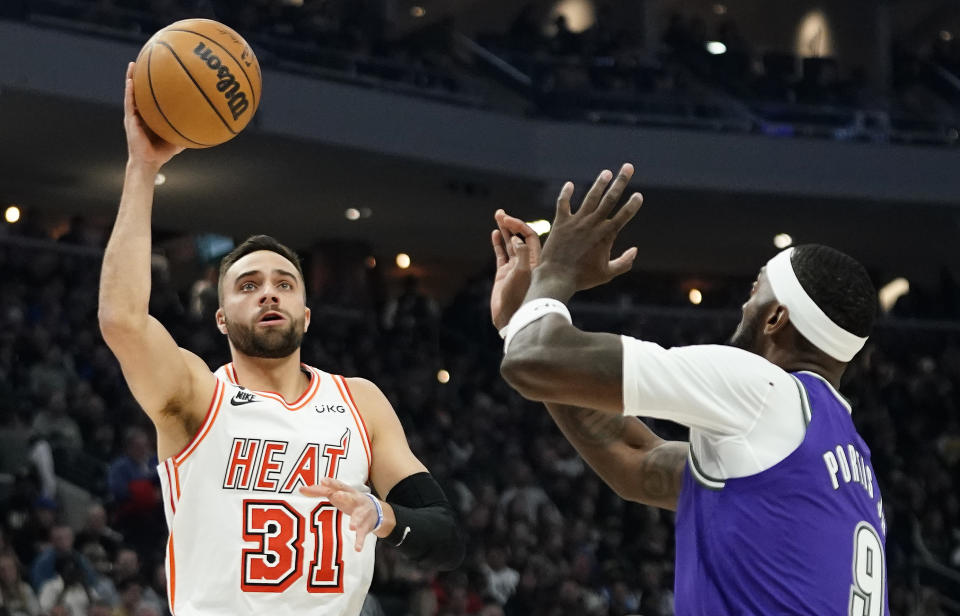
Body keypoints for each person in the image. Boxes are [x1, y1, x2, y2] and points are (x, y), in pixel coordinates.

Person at [97, 63, 464, 615]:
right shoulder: (197, 396)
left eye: (284, 284)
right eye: (248, 286)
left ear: (307, 313)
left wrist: (384, 516)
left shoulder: (359, 402)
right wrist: (142, 168)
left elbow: (444, 537)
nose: (269, 294)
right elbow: (122, 320)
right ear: (221, 318)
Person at [490, 163, 888, 614]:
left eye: (754, 292)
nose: (742, 305)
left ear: (776, 317)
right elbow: (633, 460)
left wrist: (556, 271)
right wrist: (520, 321)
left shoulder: (766, 390)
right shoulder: (848, 461)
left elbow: (535, 361)